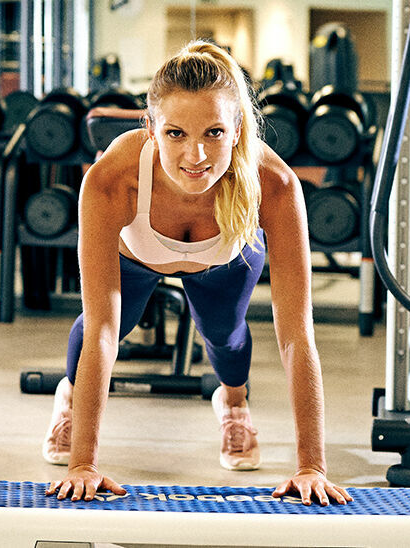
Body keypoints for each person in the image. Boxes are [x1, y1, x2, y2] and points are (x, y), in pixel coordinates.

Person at [41, 41, 351, 505]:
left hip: (224, 257)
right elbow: (104, 330)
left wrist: (312, 467)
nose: (196, 155)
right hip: (138, 257)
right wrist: (83, 464)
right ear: (150, 128)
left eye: (213, 132)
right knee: (103, 327)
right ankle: (70, 397)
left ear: (237, 128)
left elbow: (295, 335)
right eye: (175, 134)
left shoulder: (276, 184)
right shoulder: (112, 178)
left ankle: (233, 402)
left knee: (224, 336)